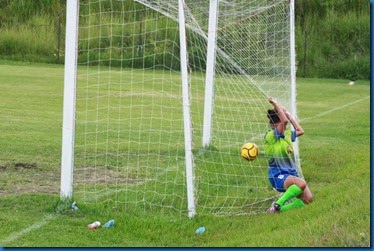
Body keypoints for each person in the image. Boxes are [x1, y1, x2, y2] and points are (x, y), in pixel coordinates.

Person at [264, 97, 313, 213]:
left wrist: (290, 116)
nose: (284, 126)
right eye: (281, 124)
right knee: (301, 183)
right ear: (274, 126)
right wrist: (276, 104)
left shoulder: (286, 136)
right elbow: (284, 121)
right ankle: (276, 206)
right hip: (278, 176)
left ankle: (279, 211)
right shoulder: (271, 136)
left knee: (308, 199)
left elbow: (300, 131)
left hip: (291, 175)